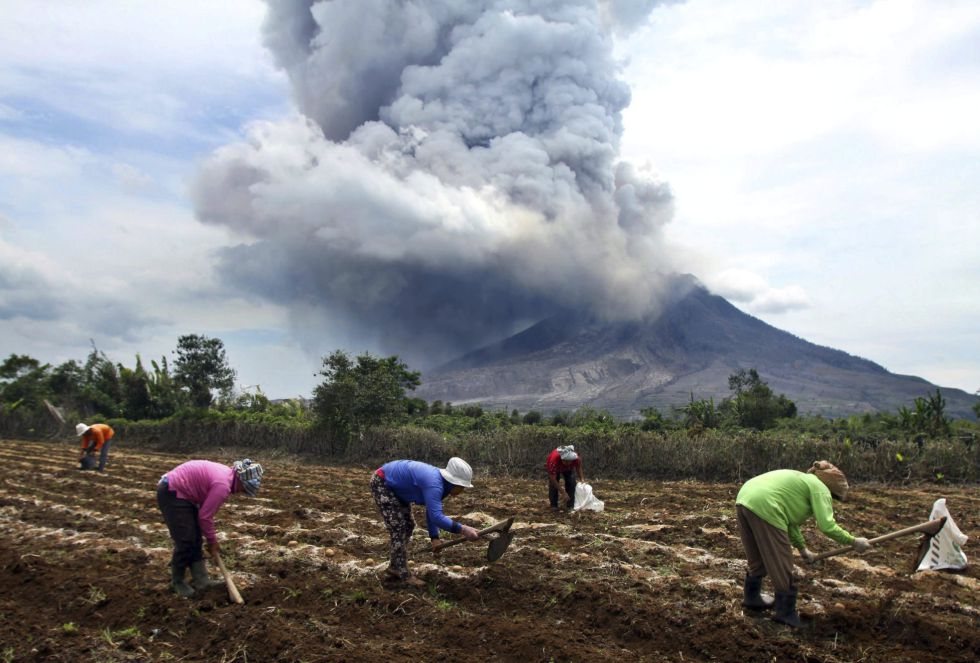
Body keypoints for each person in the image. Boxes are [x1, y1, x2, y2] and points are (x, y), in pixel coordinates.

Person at [735, 460, 871, 627]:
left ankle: (752, 598)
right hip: (766, 504)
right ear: (832, 491)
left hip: (745, 498)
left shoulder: (804, 481)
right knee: (781, 562)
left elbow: (790, 522)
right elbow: (827, 526)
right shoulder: (821, 489)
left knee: (757, 557)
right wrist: (854, 541)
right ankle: (785, 613)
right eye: (834, 498)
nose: (832, 502)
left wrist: (803, 549)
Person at [156, 458, 263, 597]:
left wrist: (207, 537)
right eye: (244, 490)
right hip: (172, 491)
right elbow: (205, 517)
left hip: (186, 495)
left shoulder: (227, 476)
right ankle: (177, 581)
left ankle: (201, 579)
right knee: (186, 539)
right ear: (242, 482)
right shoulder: (223, 485)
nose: (241, 493)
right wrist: (213, 541)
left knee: (196, 538)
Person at [371, 457, 479, 587]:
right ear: (454, 482)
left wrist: (434, 537)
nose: (462, 490)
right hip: (383, 482)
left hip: (396, 487)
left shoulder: (442, 485)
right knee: (399, 527)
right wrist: (463, 529)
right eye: (461, 486)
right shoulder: (434, 483)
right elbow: (436, 517)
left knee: (408, 525)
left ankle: (396, 565)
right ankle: (400, 571)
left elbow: (431, 511)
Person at [546, 445, 584, 510]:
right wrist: (563, 492)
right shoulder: (554, 460)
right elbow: (553, 479)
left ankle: (570, 505)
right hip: (556, 468)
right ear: (561, 458)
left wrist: (582, 479)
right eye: (565, 461)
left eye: (569, 461)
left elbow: (578, 467)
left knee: (572, 482)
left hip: (569, 469)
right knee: (553, 485)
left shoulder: (576, 459)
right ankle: (554, 505)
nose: (567, 463)